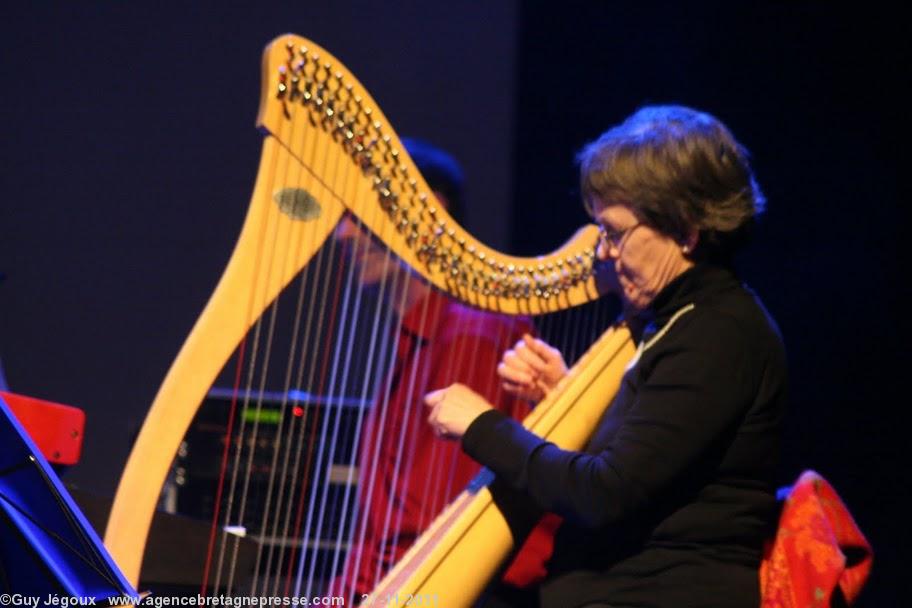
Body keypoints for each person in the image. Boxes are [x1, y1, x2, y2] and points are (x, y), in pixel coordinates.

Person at [426, 105, 787, 607]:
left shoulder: (719, 332)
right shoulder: (679, 322)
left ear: (685, 231)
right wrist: (563, 391)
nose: (602, 253)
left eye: (615, 233)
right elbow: (656, 460)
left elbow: (602, 495)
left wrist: (482, 426)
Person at [332, 138, 535, 601]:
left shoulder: (471, 338)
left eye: (359, 214)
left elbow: (436, 533)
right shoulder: (414, 343)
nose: (343, 234)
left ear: (426, 219)